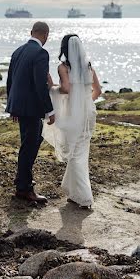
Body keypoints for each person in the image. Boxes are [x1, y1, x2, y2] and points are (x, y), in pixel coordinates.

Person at [42, 34, 102, 209]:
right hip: (89, 112)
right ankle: (73, 191)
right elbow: (97, 91)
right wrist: (85, 102)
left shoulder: (63, 67)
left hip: (73, 114)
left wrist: (52, 87)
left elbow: (66, 89)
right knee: (82, 150)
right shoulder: (89, 67)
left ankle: (85, 197)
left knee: (75, 154)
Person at [6, 21, 55, 204]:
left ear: (31, 32)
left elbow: (10, 80)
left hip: (20, 106)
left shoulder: (18, 51)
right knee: (29, 146)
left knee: (32, 142)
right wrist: (50, 110)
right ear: (46, 35)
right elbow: (39, 84)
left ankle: (22, 180)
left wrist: (12, 106)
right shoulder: (41, 53)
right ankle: (24, 188)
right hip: (32, 108)